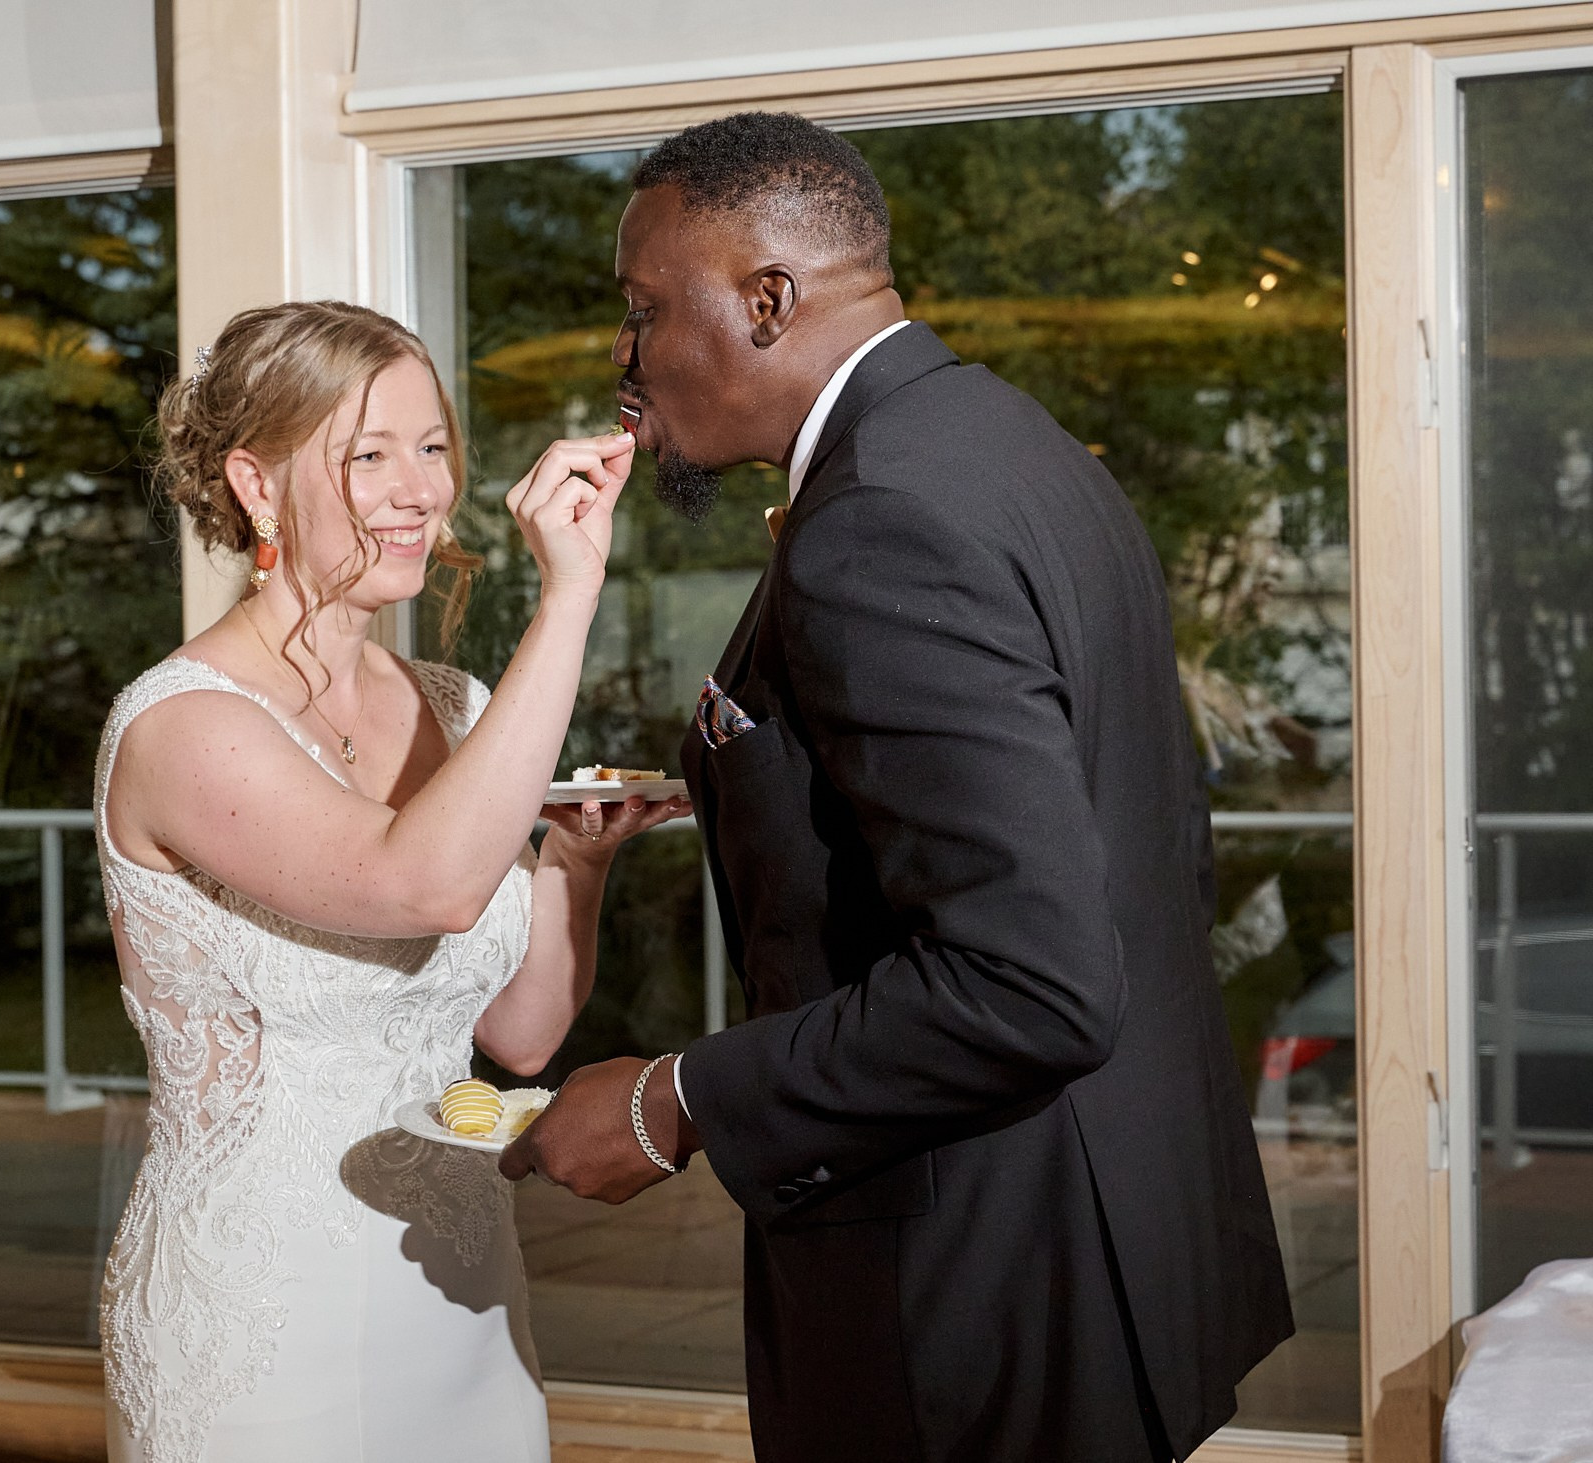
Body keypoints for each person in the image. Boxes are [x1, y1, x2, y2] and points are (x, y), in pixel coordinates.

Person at [501, 112, 1294, 1462]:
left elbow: (1029, 980)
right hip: (1096, 1232)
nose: (623, 356)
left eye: (642, 310)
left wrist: (672, 1097)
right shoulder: (1010, 443)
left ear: (767, 299)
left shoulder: (880, 516)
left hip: (972, 1288)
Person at [93, 300, 685, 1463]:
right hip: (261, 1323)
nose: (420, 489)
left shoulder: (456, 707)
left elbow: (518, 1033)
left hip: (459, 1295)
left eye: (431, 446)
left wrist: (575, 858)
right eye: (368, 456)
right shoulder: (183, 727)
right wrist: (568, 594)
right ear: (257, 486)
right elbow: (425, 888)